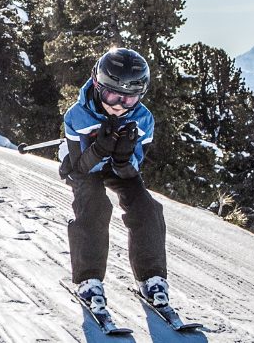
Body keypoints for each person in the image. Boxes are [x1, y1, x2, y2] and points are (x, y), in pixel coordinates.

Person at [59, 48, 170, 313]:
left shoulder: (143, 120)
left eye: (128, 100)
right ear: (97, 86)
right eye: (111, 95)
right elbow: (79, 170)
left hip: (117, 167)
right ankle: (89, 279)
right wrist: (99, 149)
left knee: (146, 207)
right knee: (95, 205)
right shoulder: (77, 116)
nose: (118, 105)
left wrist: (122, 158)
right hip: (83, 166)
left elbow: (134, 167)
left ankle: (151, 277)